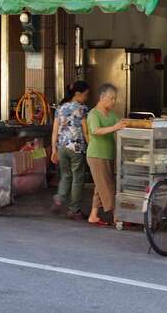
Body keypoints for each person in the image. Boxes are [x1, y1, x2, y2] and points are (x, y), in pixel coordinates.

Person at [86, 84, 126, 226]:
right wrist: (115, 127)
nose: (113, 102)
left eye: (115, 99)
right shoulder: (93, 114)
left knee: (100, 186)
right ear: (102, 97)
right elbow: (95, 131)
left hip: (108, 155)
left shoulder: (111, 115)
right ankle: (117, 216)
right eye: (111, 98)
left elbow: (121, 124)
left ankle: (93, 215)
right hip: (96, 155)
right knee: (108, 186)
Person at [51, 81, 90, 220]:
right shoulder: (82, 109)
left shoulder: (60, 108)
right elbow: (85, 131)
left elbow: (55, 130)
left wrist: (53, 149)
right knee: (77, 179)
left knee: (66, 175)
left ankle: (60, 197)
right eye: (85, 94)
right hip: (76, 148)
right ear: (78, 94)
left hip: (62, 147)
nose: (86, 97)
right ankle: (74, 210)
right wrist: (90, 145)